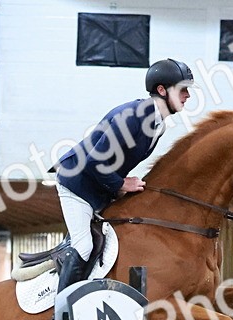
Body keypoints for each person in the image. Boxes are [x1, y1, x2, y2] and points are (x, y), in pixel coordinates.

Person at [51, 58, 193, 293]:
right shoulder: (133, 116)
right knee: (84, 246)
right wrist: (120, 184)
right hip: (76, 185)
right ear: (162, 90)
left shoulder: (158, 124)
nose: (188, 95)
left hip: (99, 188)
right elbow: (96, 160)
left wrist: (118, 186)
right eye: (183, 89)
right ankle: (60, 313)